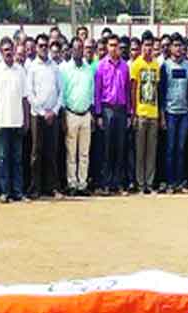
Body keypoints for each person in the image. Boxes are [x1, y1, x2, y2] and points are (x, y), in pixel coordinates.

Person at [0, 37, 30, 202]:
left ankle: (18, 191)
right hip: (2, 121)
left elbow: (25, 98)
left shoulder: (21, 71)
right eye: (5, 50)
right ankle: (5, 192)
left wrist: (26, 120)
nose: (8, 53)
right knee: (3, 159)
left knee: (17, 159)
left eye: (10, 49)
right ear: (1, 51)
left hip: (17, 121)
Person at [26, 33, 63, 199]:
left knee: (52, 151)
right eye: (40, 45)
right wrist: (42, 112)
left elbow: (61, 91)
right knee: (36, 152)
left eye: (45, 46)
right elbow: (29, 93)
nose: (43, 48)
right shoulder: (32, 67)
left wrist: (53, 111)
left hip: (53, 115)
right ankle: (35, 188)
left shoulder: (55, 67)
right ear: (36, 47)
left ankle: (53, 187)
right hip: (37, 115)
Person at [94, 34, 131, 195]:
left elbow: (128, 91)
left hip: (121, 110)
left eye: (116, 45)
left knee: (120, 147)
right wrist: (99, 114)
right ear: (107, 47)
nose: (114, 48)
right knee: (107, 148)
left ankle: (118, 183)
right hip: (107, 109)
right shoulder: (101, 66)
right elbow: (97, 91)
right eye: (111, 45)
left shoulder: (125, 66)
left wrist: (130, 113)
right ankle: (107, 183)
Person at [159, 33, 188, 192]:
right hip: (170, 113)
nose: (178, 48)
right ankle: (170, 181)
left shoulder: (187, 65)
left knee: (181, 148)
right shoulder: (165, 66)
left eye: (180, 45)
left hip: (184, 113)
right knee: (170, 148)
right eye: (175, 45)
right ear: (170, 48)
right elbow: (162, 92)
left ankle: (180, 181)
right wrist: (162, 116)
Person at [60, 36, 94, 196]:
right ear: (71, 50)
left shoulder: (88, 69)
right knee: (71, 153)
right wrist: (63, 118)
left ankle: (82, 184)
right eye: (75, 48)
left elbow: (92, 92)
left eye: (81, 48)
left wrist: (92, 114)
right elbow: (62, 95)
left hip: (86, 114)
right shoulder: (64, 69)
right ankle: (72, 183)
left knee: (84, 153)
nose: (78, 51)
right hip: (71, 114)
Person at [130, 30, 160, 193]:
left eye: (151, 45)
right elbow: (133, 90)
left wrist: (160, 114)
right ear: (142, 46)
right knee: (140, 151)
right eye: (146, 45)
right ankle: (140, 184)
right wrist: (134, 113)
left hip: (153, 113)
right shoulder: (136, 65)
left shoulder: (156, 65)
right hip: (141, 114)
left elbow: (157, 89)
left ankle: (149, 182)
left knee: (151, 152)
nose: (148, 49)